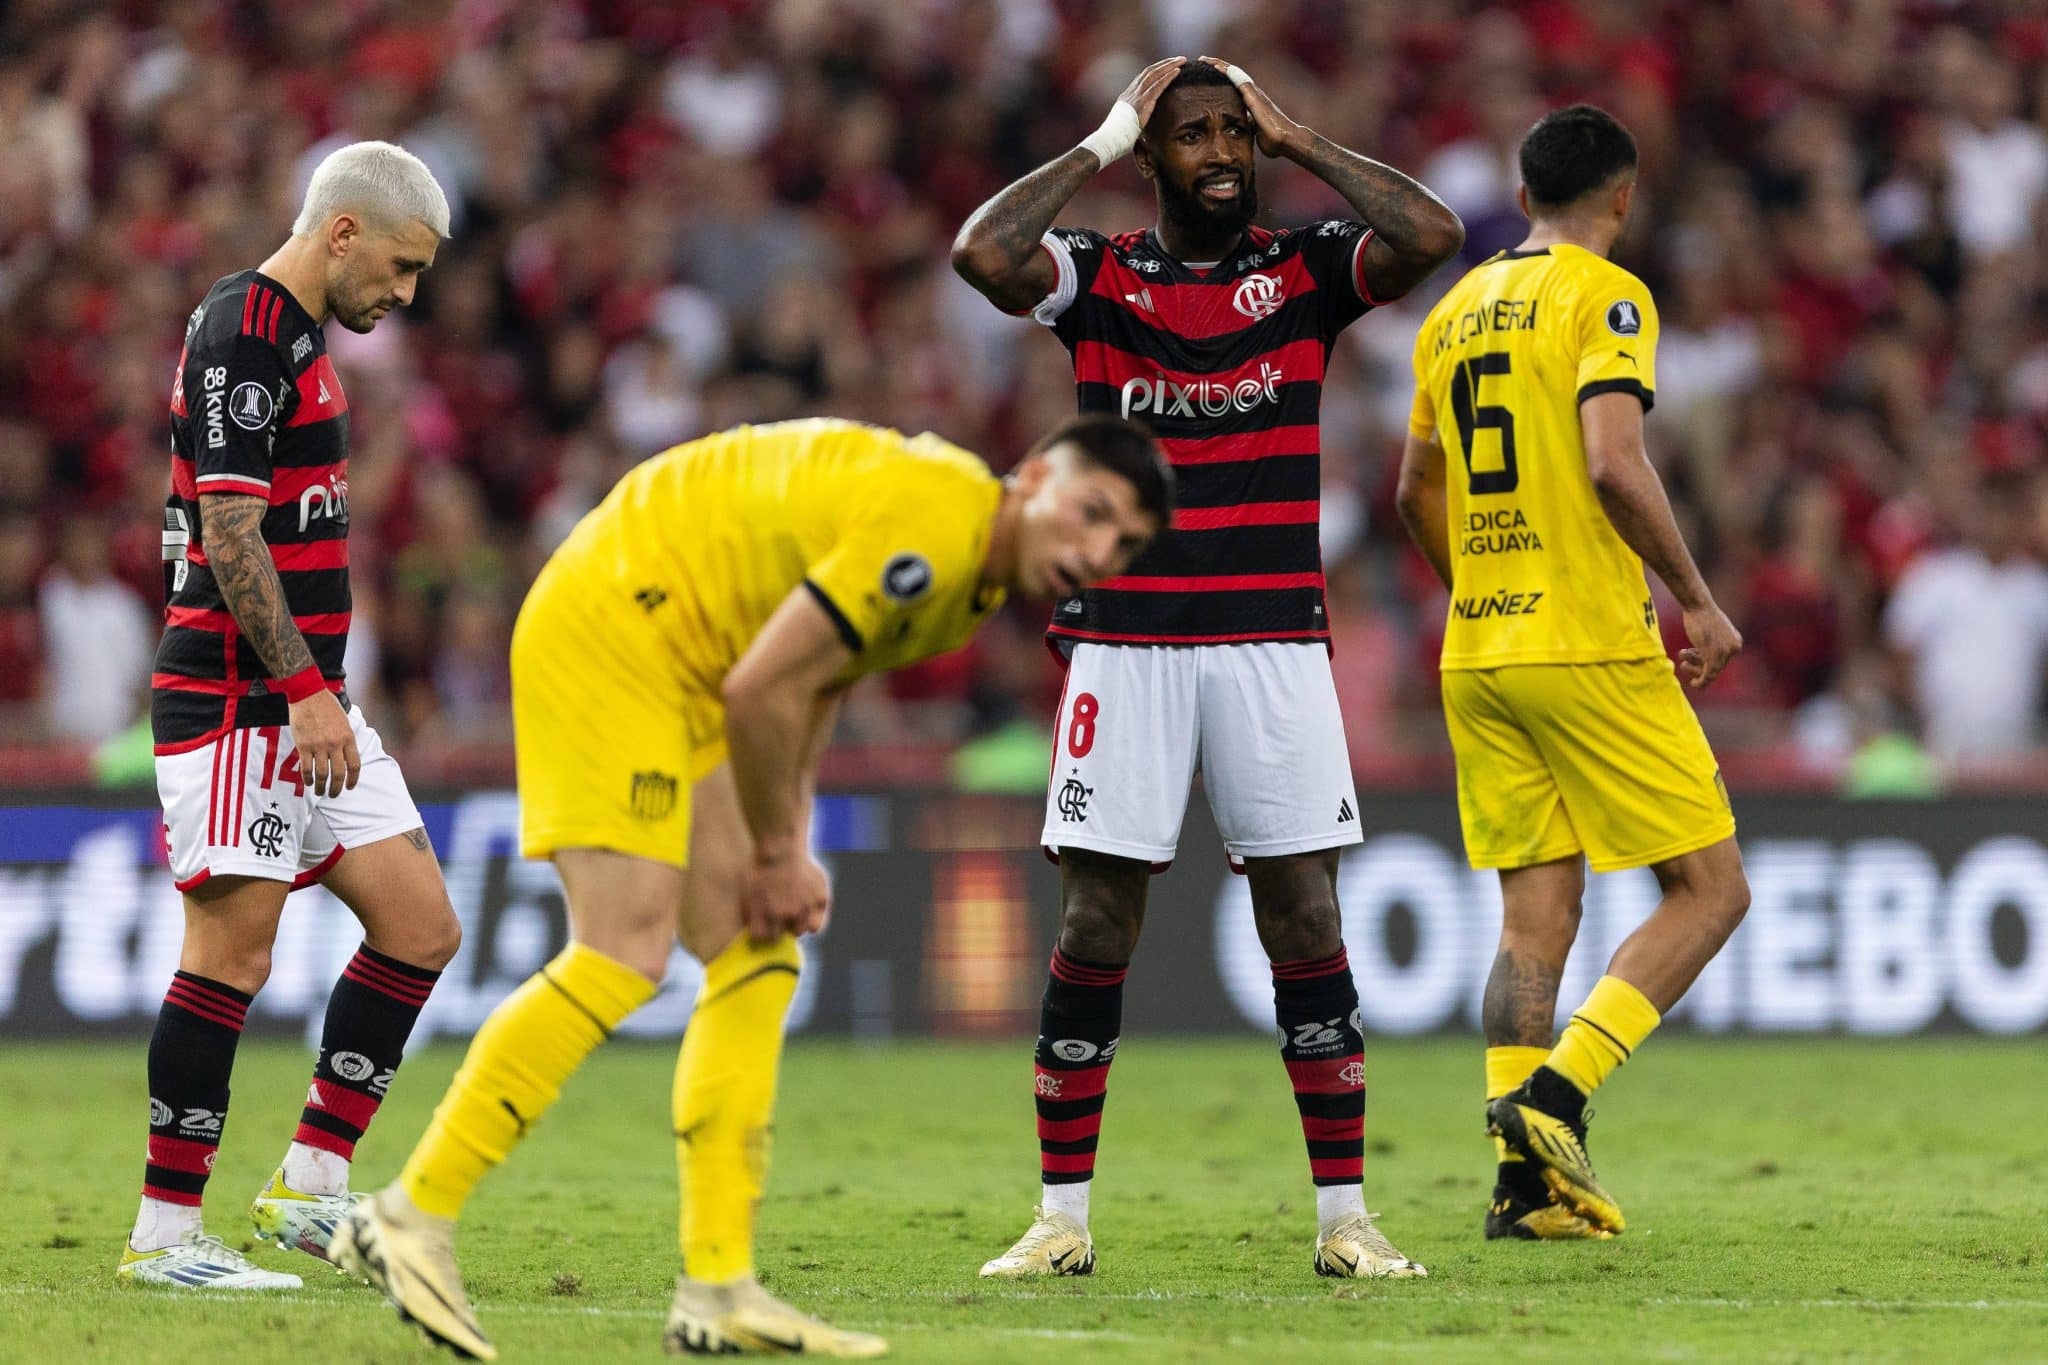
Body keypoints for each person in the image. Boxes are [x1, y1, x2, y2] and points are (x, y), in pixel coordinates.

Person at [332, 414, 1172, 1360]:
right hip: (621, 623)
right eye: (1092, 512)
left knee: (755, 953)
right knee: (622, 951)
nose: (1099, 551)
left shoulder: (972, 574)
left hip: (687, 656)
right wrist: (778, 848)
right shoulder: (940, 525)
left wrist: (789, 843)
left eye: (1126, 544)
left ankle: (718, 1284)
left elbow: (814, 681)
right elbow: (764, 691)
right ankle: (409, 1214)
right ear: (1033, 476)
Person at [951, 55, 1463, 1280]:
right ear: (1149, 155)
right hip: (1122, 641)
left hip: (1270, 643)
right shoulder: (1101, 277)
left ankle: (1344, 1218)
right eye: (1193, 136)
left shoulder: (1299, 272)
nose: (1222, 153)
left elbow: (1430, 232)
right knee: (1096, 918)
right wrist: (1094, 141)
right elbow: (980, 254)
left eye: (1235, 132)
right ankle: (1059, 1221)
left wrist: (1298, 133)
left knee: (1302, 915)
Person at [1394, 105, 1753, 1241]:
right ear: (1621, 193)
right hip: (1584, 638)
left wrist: (1484, 591)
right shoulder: (1606, 294)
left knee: (1531, 920)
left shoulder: (1449, 312)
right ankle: (1555, 1096)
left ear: (1523, 188)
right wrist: (1691, 598)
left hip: (1478, 648)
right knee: (1710, 890)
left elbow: (1412, 491)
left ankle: (1520, 1188)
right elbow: (1611, 460)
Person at [117, 142, 461, 1290]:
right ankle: (166, 1238)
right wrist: (304, 691)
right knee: (231, 951)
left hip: (311, 700)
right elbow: (226, 533)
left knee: (421, 926)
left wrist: (324, 693)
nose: (404, 294)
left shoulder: (301, 337)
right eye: (402, 267)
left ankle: (308, 1189)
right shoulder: (244, 330)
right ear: (344, 231)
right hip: (237, 696)